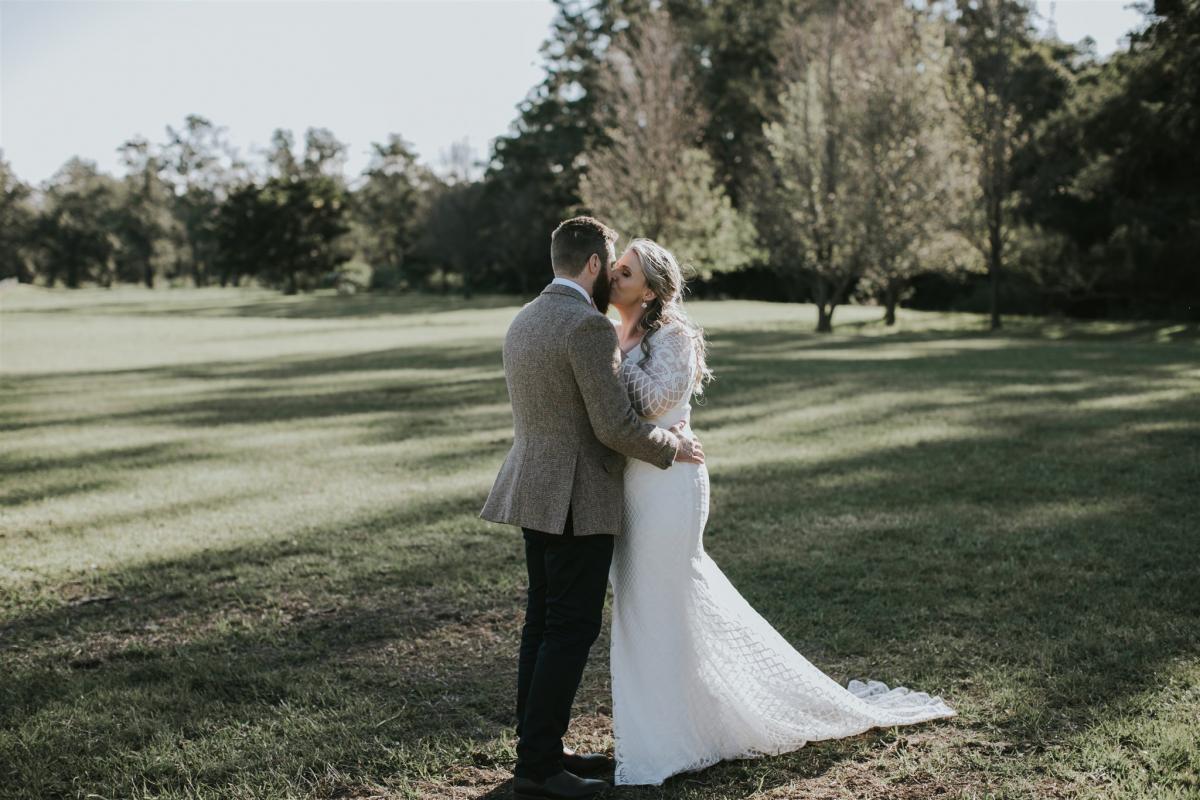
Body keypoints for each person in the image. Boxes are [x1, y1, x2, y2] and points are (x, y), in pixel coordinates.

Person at [604, 238, 956, 786]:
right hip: (632, 484)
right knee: (640, 604)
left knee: (667, 597)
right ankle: (672, 725)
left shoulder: (673, 336)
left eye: (623, 271)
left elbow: (653, 401)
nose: (612, 276)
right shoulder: (611, 331)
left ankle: (692, 730)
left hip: (671, 484)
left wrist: (611, 358)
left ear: (649, 290)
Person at [479, 217, 705, 800]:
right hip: (577, 495)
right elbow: (612, 425)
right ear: (594, 266)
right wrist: (670, 446)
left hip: (533, 488)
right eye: (613, 264)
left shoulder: (525, 318)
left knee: (542, 625)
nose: (615, 274)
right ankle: (538, 772)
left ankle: (541, 751)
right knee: (569, 629)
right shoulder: (587, 327)